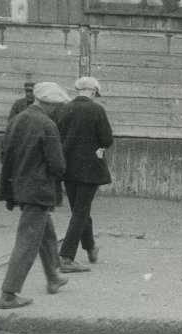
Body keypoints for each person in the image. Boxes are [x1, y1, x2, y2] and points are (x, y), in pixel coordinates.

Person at [0, 82, 71, 309]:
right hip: (39, 191)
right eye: (55, 106)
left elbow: (4, 154)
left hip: (20, 188)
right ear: (46, 104)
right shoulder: (47, 124)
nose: (57, 110)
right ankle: (8, 294)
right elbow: (58, 165)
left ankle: (53, 277)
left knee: (46, 233)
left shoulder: (16, 120)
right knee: (27, 241)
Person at [55, 76, 114, 273]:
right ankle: (66, 257)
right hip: (89, 169)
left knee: (79, 210)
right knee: (81, 211)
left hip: (67, 168)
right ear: (92, 91)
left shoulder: (63, 109)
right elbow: (107, 139)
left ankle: (90, 247)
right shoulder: (97, 110)